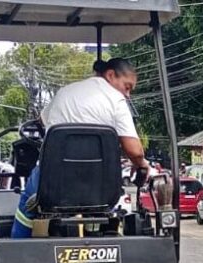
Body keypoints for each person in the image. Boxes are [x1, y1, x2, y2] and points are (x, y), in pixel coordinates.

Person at [12, 57, 151, 238]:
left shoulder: (65, 92)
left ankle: (17, 252)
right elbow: (134, 150)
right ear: (110, 75)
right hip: (98, 190)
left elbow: (43, 121)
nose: (127, 95)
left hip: (54, 183)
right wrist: (141, 164)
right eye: (127, 87)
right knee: (106, 213)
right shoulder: (116, 101)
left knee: (27, 207)